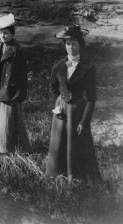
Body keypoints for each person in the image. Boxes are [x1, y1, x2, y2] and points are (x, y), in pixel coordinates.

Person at [45, 25, 101, 182]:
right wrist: (57, 105)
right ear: (64, 45)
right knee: (59, 143)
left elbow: (91, 97)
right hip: (61, 111)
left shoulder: (88, 67)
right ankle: (56, 175)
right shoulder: (59, 65)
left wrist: (84, 121)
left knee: (76, 143)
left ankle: (76, 177)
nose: (71, 47)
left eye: (74, 44)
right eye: (68, 44)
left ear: (80, 45)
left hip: (77, 111)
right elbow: (52, 87)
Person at [0, 13, 30, 153]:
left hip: (9, 90)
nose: (3, 36)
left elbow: (22, 74)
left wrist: (21, 94)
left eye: (6, 33)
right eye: (1, 33)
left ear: (12, 33)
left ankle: (5, 149)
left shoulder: (18, 50)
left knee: (7, 120)